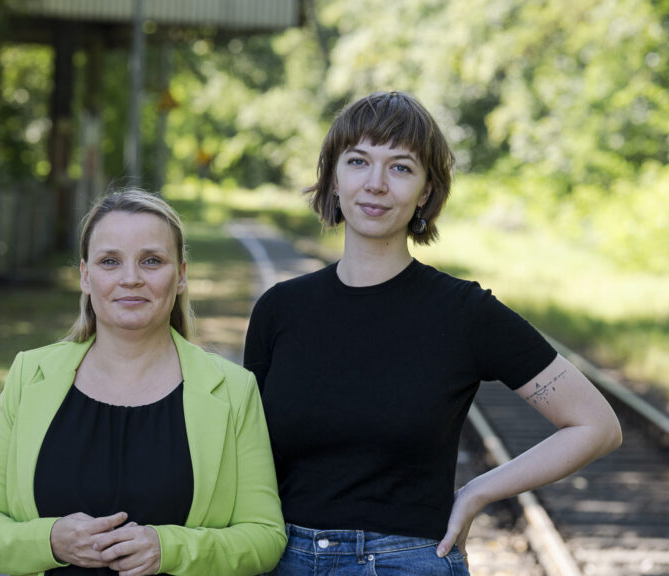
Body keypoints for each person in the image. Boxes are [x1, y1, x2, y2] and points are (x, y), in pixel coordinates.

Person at [244, 91, 622, 575]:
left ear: (425, 190)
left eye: (400, 167)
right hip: (286, 560)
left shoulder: (465, 312)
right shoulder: (281, 310)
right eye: (358, 161)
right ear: (334, 179)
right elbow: (248, 454)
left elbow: (597, 426)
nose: (376, 184)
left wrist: (477, 491)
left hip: (410, 561)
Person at [0, 189, 286, 576]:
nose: (131, 279)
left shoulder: (233, 388)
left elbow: (265, 537)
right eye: (110, 261)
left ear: (180, 276)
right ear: (85, 276)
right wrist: (51, 540)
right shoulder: (31, 375)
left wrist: (170, 549)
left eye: (152, 261)